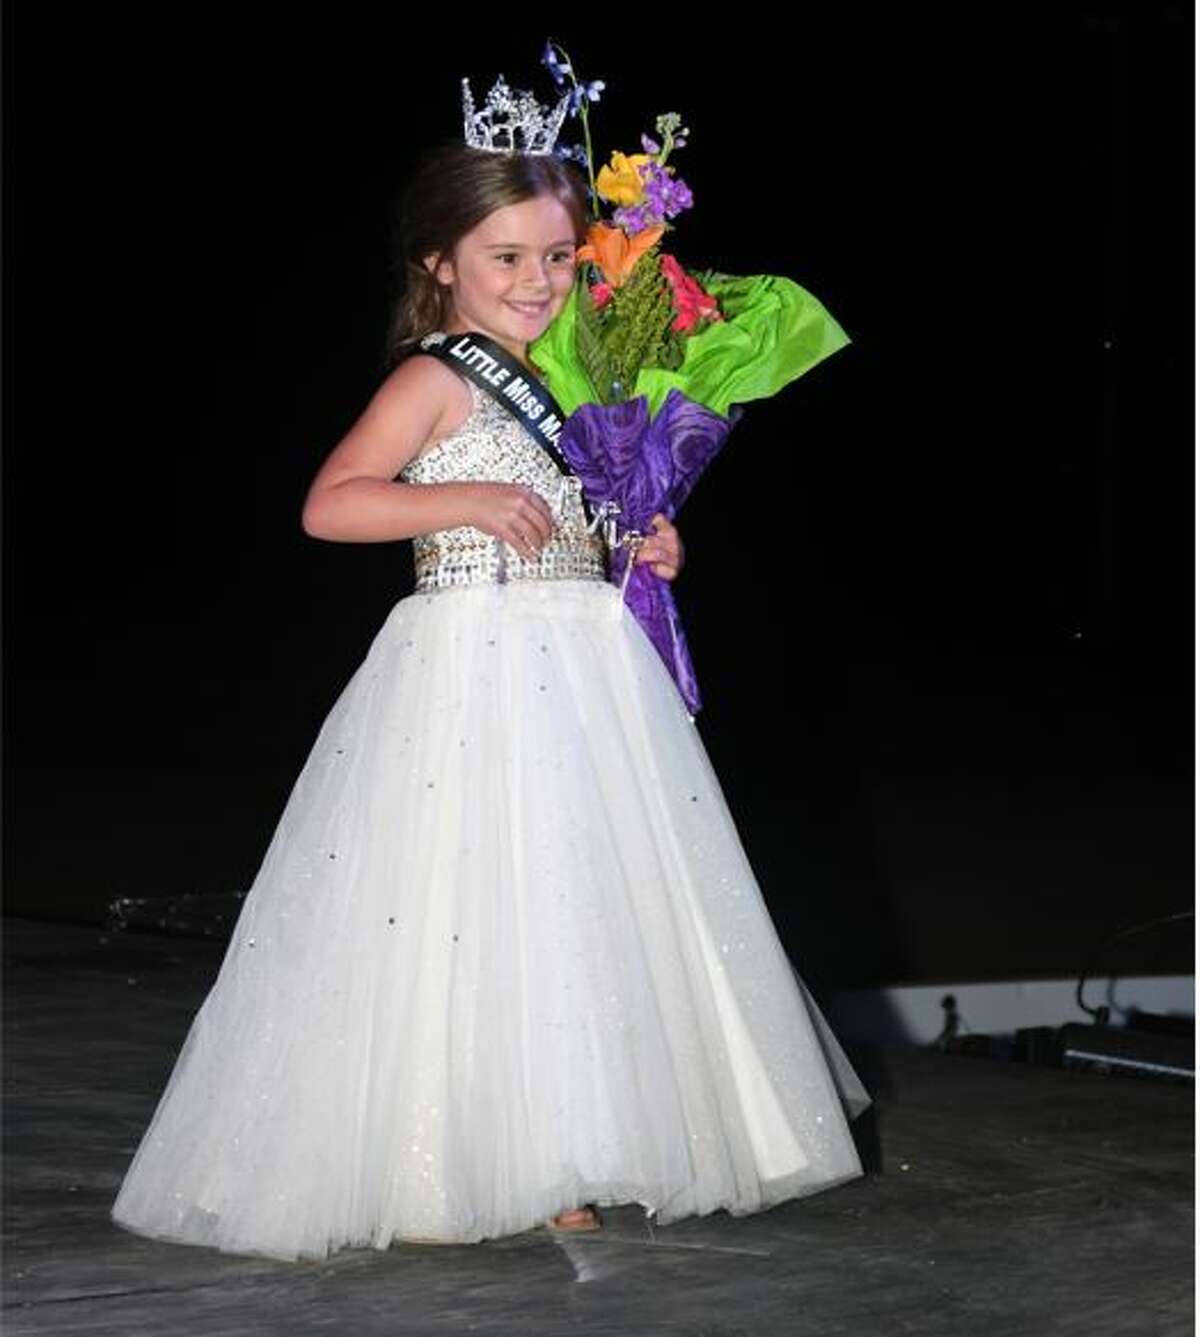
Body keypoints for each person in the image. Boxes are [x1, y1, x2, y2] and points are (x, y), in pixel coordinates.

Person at [110, 130, 868, 1263]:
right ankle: (466, 1149)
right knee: (467, 903)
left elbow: (586, 512)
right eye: (504, 256)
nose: (534, 282)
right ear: (439, 263)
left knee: (583, 904)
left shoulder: (579, 381)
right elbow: (332, 504)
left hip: (587, 670)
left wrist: (644, 542)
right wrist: (454, 496)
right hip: (469, 672)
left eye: (558, 258)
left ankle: (581, 1142)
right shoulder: (432, 378)